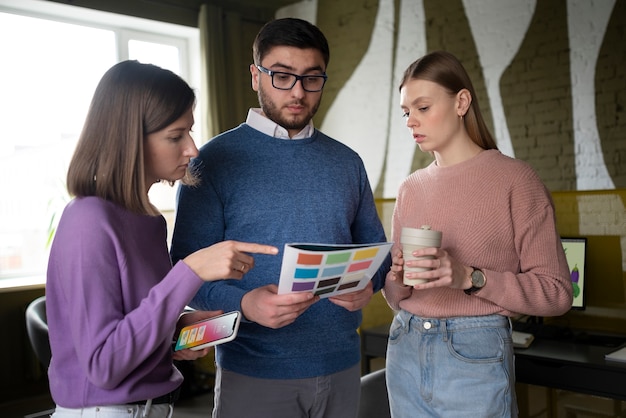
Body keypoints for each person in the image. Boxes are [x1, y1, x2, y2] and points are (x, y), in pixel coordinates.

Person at [170, 18, 390, 418]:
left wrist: (369, 284)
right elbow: (183, 274)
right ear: (255, 76)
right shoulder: (212, 162)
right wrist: (245, 304)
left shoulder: (347, 162)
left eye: (312, 79)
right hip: (252, 372)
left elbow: (378, 252)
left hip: (342, 365)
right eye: (282, 76)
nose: (298, 92)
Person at [46, 60, 279, 418]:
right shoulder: (88, 220)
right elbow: (104, 365)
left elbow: (133, 323)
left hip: (155, 407)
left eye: (189, 132)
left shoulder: (149, 220)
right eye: (175, 136)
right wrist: (190, 271)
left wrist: (173, 332)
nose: (193, 149)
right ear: (129, 140)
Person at [382, 50, 573, 417]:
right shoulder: (410, 188)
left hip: (474, 353)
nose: (411, 122)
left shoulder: (516, 180)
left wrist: (469, 277)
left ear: (461, 102)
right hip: (404, 346)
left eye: (422, 107)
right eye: (406, 112)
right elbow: (395, 297)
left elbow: (558, 293)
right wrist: (398, 279)